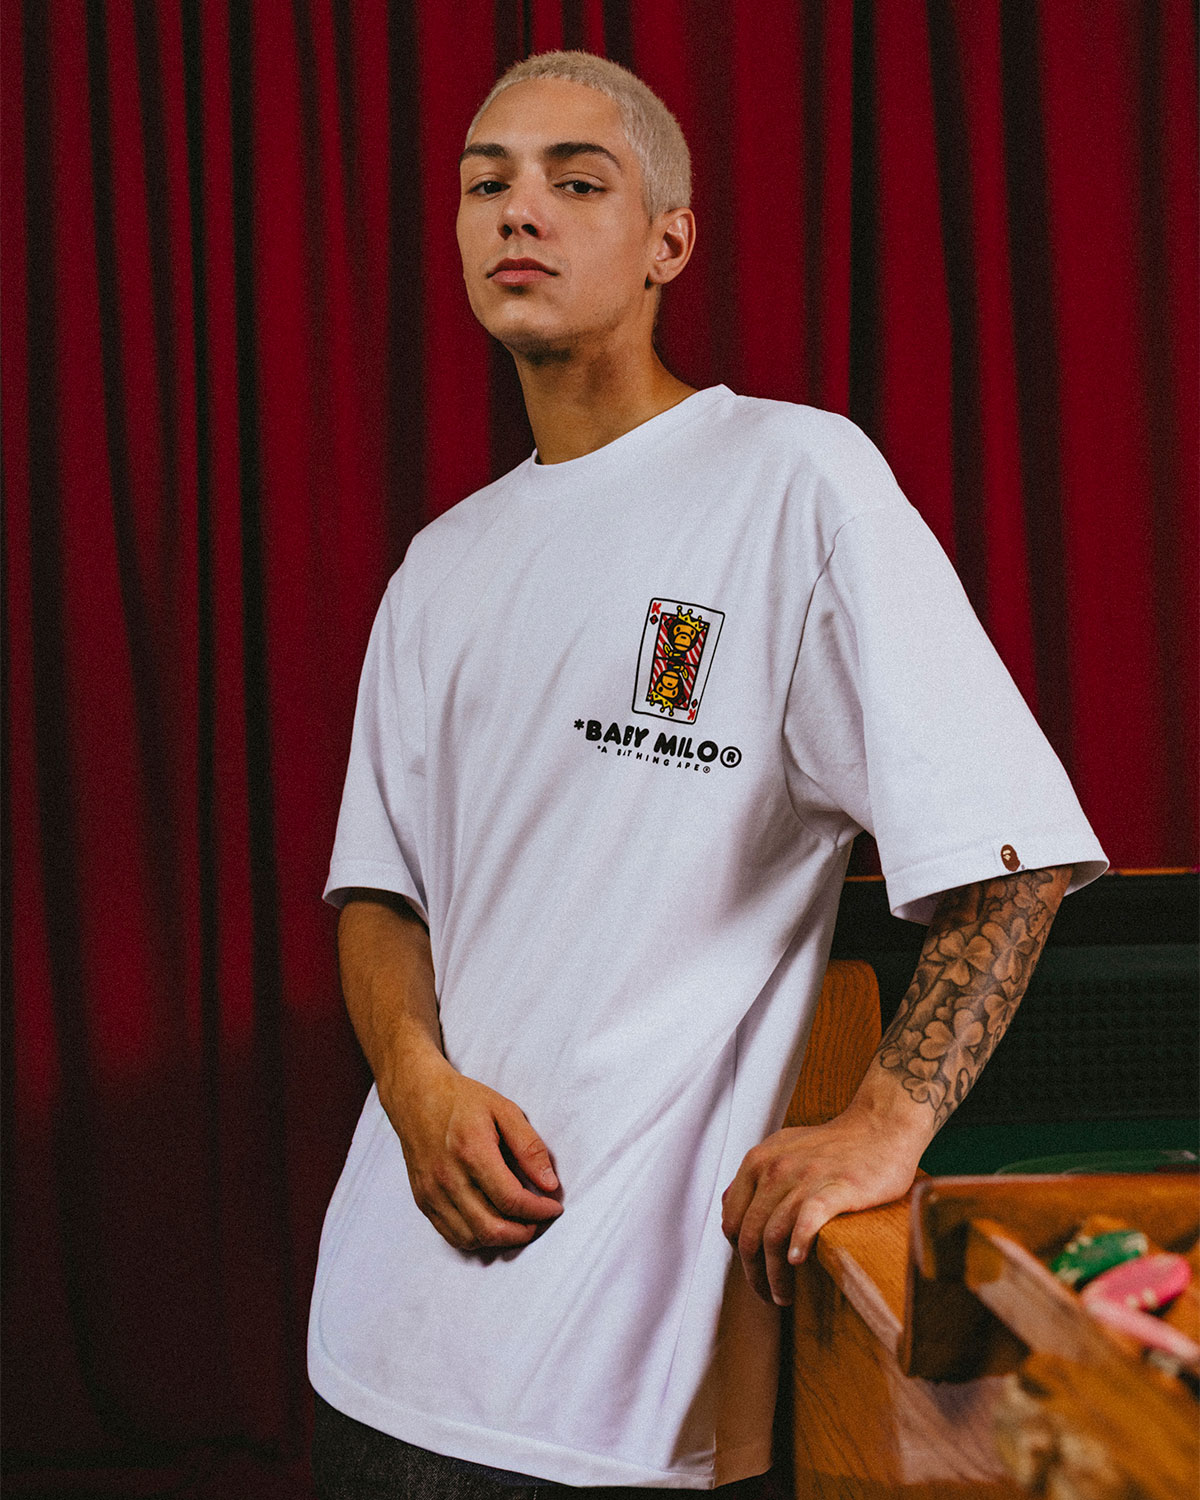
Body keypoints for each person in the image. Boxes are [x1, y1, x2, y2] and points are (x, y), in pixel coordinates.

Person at [308, 50, 1106, 1498]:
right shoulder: (441, 565)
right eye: (485, 184)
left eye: (575, 180)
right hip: (370, 1341)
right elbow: (378, 891)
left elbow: (1016, 853)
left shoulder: (795, 479)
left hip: (609, 1395)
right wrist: (417, 1086)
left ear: (669, 240)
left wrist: (884, 1126)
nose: (517, 211)